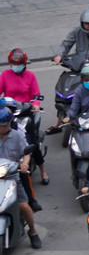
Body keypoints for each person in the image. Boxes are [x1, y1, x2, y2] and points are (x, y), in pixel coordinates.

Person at [0, 49, 46, 184]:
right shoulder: (4, 75)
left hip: (26, 111)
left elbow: (36, 94)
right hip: (8, 111)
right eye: (13, 64)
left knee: (31, 141)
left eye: (19, 64)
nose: (16, 66)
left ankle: (43, 169)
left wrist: (35, 104)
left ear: (24, 64)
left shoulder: (30, 76)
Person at [0, 107, 41, 249]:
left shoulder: (17, 136)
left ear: (10, 123)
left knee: (23, 205)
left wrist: (24, 163)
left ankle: (33, 231)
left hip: (12, 176)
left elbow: (26, 153)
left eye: (4, 125)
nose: (1, 128)